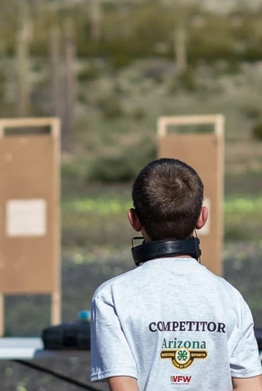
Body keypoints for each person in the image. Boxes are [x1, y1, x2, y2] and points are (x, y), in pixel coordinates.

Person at [90, 158, 262, 391]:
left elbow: (124, 386)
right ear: (202, 217)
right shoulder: (230, 297)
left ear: (134, 219)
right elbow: (250, 386)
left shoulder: (112, 297)